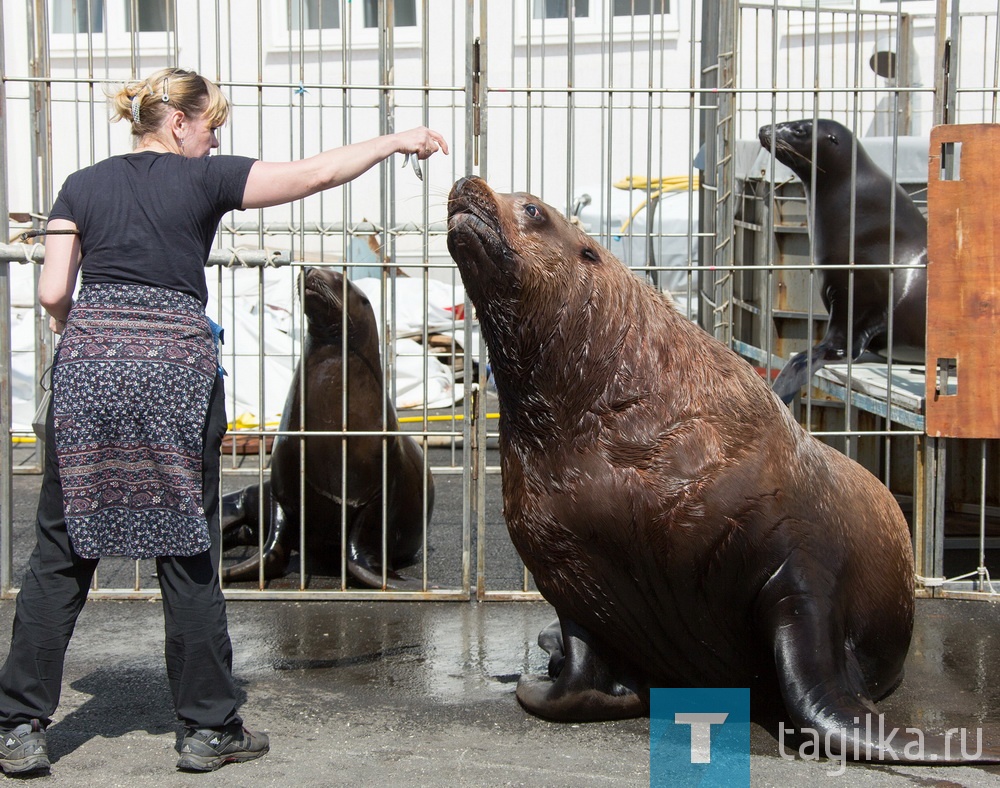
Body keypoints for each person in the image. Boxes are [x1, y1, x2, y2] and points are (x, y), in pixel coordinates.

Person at [0, 67, 448, 776]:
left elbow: (55, 288)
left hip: (88, 372)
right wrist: (395, 139)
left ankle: (20, 728)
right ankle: (208, 730)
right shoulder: (203, 180)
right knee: (188, 552)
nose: (214, 142)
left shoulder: (81, 184)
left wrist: (94, 333)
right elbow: (313, 175)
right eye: (212, 127)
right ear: (179, 121)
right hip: (175, 375)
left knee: (62, 551)